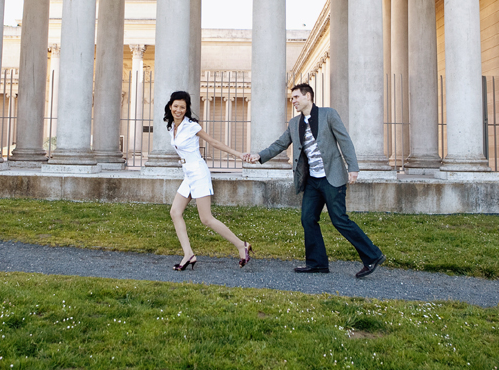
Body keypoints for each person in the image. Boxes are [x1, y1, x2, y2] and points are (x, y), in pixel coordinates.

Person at [244, 83, 385, 279]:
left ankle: (372, 255)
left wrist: (353, 167)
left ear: (308, 96)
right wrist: (259, 156)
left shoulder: (329, 114)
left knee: (339, 220)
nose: (293, 101)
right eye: (292, 98)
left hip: (332, 178)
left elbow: (344, 140)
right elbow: (280, 144)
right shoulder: (294, 123)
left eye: (296, 97)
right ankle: (317, 263)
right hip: (312, 181)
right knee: (308, 218)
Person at [164, 90, 252, 271]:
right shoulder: (172, 126)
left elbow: (214, 143)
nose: (178, 110)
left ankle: (241, 245)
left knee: (206, 219)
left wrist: (239, 155)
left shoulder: (191, 126)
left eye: (182, 107)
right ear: (170, 106)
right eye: (176, 106)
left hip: (198, 172)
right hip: (188, 174)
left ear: (187, 109)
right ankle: (188, 254)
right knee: (175, 212)